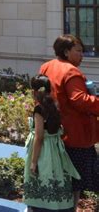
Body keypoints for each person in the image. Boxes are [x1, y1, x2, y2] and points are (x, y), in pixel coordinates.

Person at [39, 35, 99, 204]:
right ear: (66, 51)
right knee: (74, 184)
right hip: (76, 136)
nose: (82, 55)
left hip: (54, 135)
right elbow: (79, 100)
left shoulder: (46, 67)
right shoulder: (71, 71)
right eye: (78, 51)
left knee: (59, 181)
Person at [23, 75, 80, 212]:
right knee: (56, 176)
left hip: (43, 151)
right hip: (55, 148)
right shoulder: (55, 104)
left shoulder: (39, 109)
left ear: (35, 92)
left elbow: (39, 137)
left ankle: (40, 206)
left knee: (41, 176)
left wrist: (34, 162)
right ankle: (57, 205)